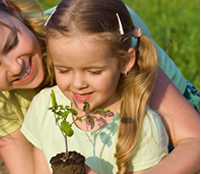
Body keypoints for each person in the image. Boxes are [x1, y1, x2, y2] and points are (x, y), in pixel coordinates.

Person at [0, 0, 199, 173]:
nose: (15, 66)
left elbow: (194, 142)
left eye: (12, 43)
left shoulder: (89, 29)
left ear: (12, 8)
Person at [21, 0, 199, 173]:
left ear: (125, 62)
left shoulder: (143, 126)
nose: (77, 84)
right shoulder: (43, 107)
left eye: (94, 72)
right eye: (64, 70)